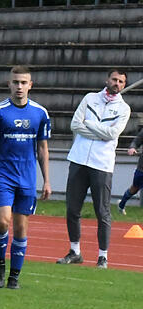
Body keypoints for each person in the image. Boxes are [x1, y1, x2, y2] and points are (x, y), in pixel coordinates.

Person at [0, 65, 51, 289]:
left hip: (27, 177)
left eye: (23, 82)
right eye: (15, 82)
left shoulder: (40, 113)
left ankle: (14, 277)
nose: (19, 86)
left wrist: (47, 180)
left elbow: (42, 148)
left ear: (31, 85)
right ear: (9, 84)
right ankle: (0, 265)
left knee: (21, 229)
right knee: (3, 222)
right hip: (3, 176)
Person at [57, 69, 130, 269]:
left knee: (102, 211)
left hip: (102, 164)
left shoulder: (124, 109)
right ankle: (75, 251)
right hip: (79, 160)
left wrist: (89, 124)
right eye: (114, 79)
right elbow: (74, 125)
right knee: (72, 209)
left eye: (121, 82)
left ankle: (103, 256)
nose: (117, 83)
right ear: (107, 79)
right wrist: (100, 133)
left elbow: (112, 134)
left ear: (123, 85)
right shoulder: (89, 98)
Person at [117, 126, 143, 215]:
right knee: (134, 188)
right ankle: (121, 204)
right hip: (142, 168)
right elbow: (136, 141)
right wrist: (132, 148)